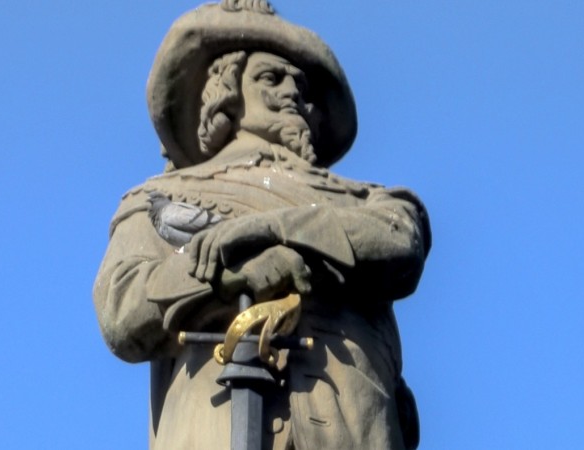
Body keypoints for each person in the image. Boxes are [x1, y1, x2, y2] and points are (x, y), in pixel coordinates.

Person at [94, 2, 430, 449]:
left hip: (350, 421)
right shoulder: (161, 198)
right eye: (271, 78)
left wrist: (272, 231)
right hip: (215, 417)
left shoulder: (367, 200)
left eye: (302, 85)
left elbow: (401, 239)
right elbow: (122, 310)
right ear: (228, 95)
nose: (294, 93)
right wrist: (224, 276)